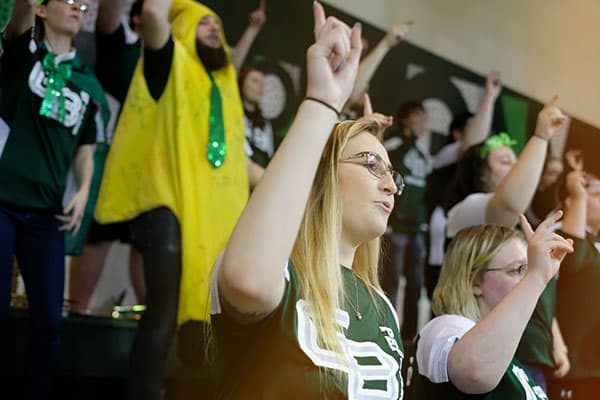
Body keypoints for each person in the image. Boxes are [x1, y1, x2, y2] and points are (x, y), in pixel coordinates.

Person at [211, 3, 405, 398]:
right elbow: (247, 282)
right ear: (320, 177)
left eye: (392, 174)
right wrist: (322, 102)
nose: (389, 185)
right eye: (371, 165)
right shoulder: (276, 271)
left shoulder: (383, 307)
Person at [94, 0, 249, 398]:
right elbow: (152, 18)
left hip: (211, 218)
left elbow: (235, 159)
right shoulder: (169, 60)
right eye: (204, 23)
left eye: (218, 22)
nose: (215, 27)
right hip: (166, 209)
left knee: (208, 319)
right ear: (183, 28)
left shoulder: (226, 85)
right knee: (163, 312)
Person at [0, 0, 108, 397]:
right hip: (2, 200)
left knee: (50, 324)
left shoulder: (88, 83)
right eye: (67, 0)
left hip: (46, 214)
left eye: (84, 3)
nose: (78, 6)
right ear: (43, 11)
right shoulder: (22, 54)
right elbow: (19, 18)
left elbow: (86, 148)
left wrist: (82, 190)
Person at [411, 214, 573, 399]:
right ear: (474, 281)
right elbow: (474, 372)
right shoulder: (446, 327)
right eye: (516, 270)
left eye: (527, 270)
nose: (525, 281)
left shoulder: (503, 347)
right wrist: (536, 277)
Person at [68, 0, 146, 316]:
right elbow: (109, 13)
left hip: (148, 172)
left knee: (145, 246)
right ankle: (75, 317)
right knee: (97, 240)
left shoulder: (173, 57)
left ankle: (150, 329)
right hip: (109, 162)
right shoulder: (120, 39)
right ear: (139, 18)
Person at [425, 71, 502, 304]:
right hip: (444, 235)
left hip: (465, 237)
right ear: (458, 134)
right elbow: (473, 145)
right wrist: (489, 97)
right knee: (443, 297)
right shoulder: (447, 154)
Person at [554, 169, 600, 399]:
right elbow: (570, 262)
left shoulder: (595, 241)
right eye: (597, 194)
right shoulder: (556, 234)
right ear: (569, 200)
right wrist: (579, 196)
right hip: (574, 366)